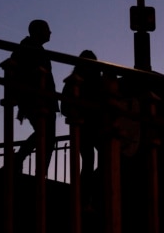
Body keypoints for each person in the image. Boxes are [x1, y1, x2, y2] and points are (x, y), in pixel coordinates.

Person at [11, 19, 58, 176]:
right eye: (47, 29)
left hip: (39, 98)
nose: (50, 32)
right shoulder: (30, 49)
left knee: (45, 134)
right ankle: (36, 169)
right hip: (38, 99)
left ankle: (22, 160)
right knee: (47, 135)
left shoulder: (27, 48)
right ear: (39, 31)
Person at [61, 50, 103, 209]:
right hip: (92, 126)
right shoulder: (98, 81)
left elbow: (64, 106)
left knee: (89, 162)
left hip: (85, 127)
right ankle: (87, 196)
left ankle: (85, 196)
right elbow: (64, 107)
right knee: (94, 161)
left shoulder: (74, 81)